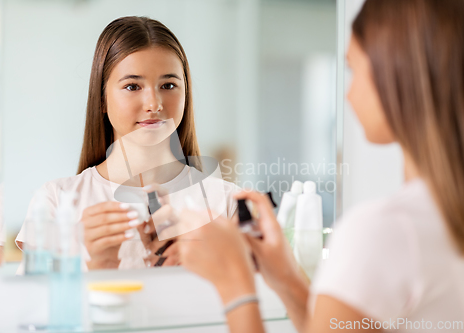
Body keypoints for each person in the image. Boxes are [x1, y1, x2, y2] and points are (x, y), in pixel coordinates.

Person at [176, 0, 464, 332]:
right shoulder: (436, 219)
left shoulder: (383, 233)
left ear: (398, 76)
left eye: (354, 70)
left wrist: (235, 284)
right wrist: (285, 276)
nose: (348, 94)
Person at [15, 16, 239, 272]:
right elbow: (30, 309)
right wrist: (95, 264)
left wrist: (193, 270)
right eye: (132, 86)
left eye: (168, 85)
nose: (154, 104)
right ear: (101, 98)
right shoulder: (56, 202)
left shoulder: (227, 202)